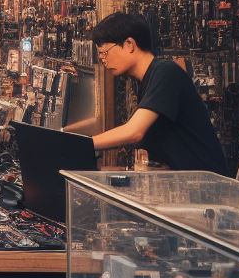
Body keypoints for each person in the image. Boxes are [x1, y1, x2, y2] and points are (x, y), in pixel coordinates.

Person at [90, 12, 228, 174]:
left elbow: (134, 131)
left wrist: (82, 144)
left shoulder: (165, 73)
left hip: (206, 188)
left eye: (104, 53)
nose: (103, 60)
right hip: (186, 184)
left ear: (129, 44)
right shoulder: (148, 79)